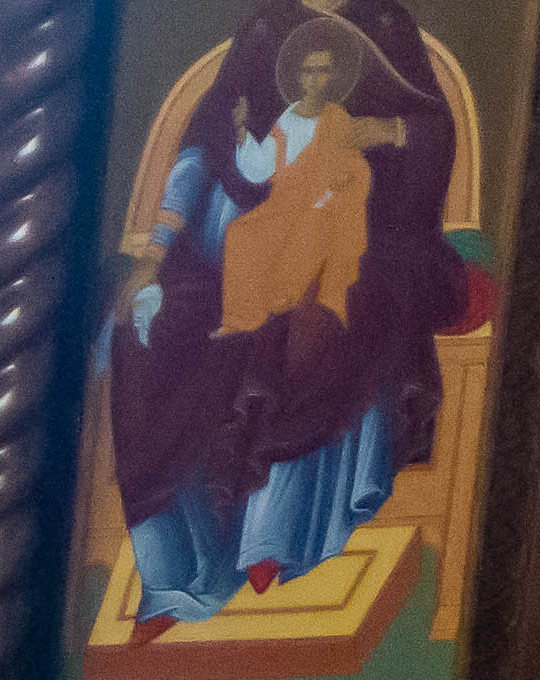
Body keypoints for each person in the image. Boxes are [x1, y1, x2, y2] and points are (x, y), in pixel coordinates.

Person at [98, 0, 475, 646]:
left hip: (370, 242)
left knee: (318, 326)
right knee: (144, 336)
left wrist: (380, 133)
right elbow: (206, 150)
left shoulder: (382, 24)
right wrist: (154, 257)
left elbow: (430, 138)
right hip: (235, 245)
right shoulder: (263, 29)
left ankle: (271, 538)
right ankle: (179, 571)